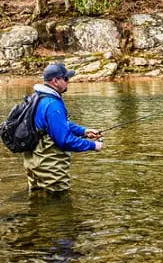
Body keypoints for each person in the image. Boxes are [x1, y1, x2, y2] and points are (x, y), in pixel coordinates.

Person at [23, 63, 103, 193]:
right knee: (58, 204)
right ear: (55, 81)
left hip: (34, 164)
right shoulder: (53, 105)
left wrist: (83, 131)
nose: (68, 82)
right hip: (50, 169)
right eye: (65, 79)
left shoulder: (37, 98)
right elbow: (65, 141)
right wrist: (93, 145)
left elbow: (55, 124)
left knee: (39, 200)